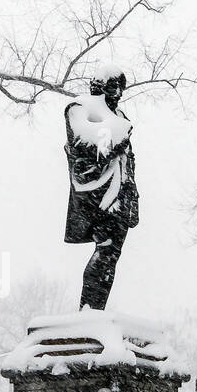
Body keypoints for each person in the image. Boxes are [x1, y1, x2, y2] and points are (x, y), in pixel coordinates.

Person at [63, 67, 139, 310]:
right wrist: (120, 134)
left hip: (121, 197)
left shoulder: (118, 114)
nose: (117, 92)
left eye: (120, 87)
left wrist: (133, 197)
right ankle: (89, 309)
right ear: (99, 85)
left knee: (111, 256)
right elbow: (87, 145)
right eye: (112, 86)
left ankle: (96, 310)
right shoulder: (79, 108)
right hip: (98, 195)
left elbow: (129, 160)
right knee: (105, 248)